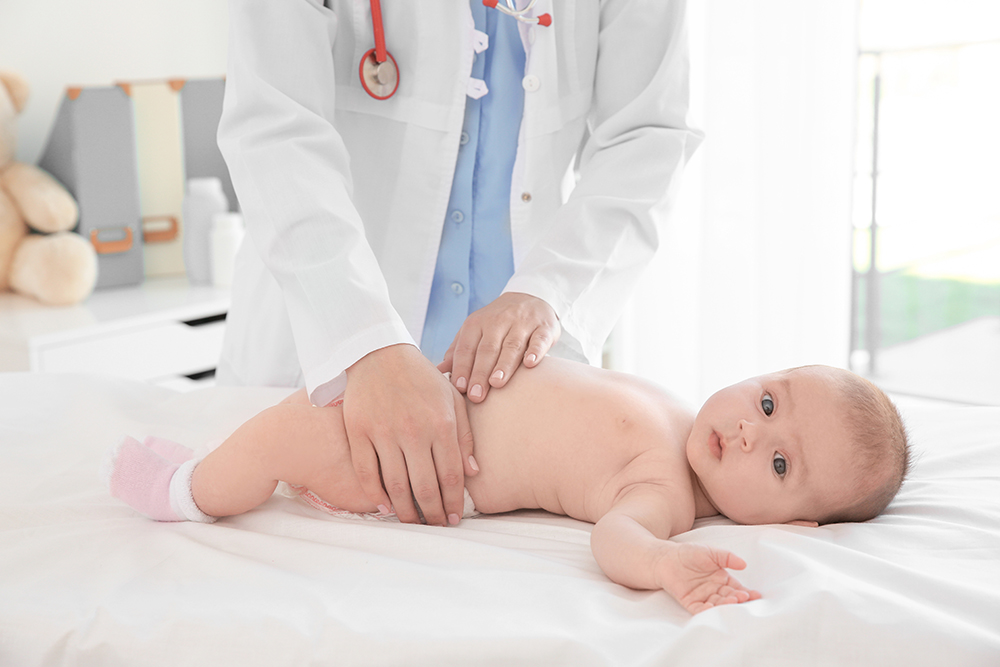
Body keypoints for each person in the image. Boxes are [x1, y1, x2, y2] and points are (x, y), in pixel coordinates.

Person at [215, 0, 703, 528]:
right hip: (325, 341)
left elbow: (646, 135)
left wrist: (550, 290)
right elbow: (274, 127)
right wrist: (364, 341)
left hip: (510, 394)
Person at [103, 359, 910, 615]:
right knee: (301, 412)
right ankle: (204, 467)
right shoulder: (677, 411)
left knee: (290, 431)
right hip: (417, 404)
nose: (747, 430)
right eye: (768, 401)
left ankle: (185, 490)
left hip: (415, 462)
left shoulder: (662, 487)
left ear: (796, 523)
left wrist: (664, 564)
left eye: (777, 463)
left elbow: (614, 537)